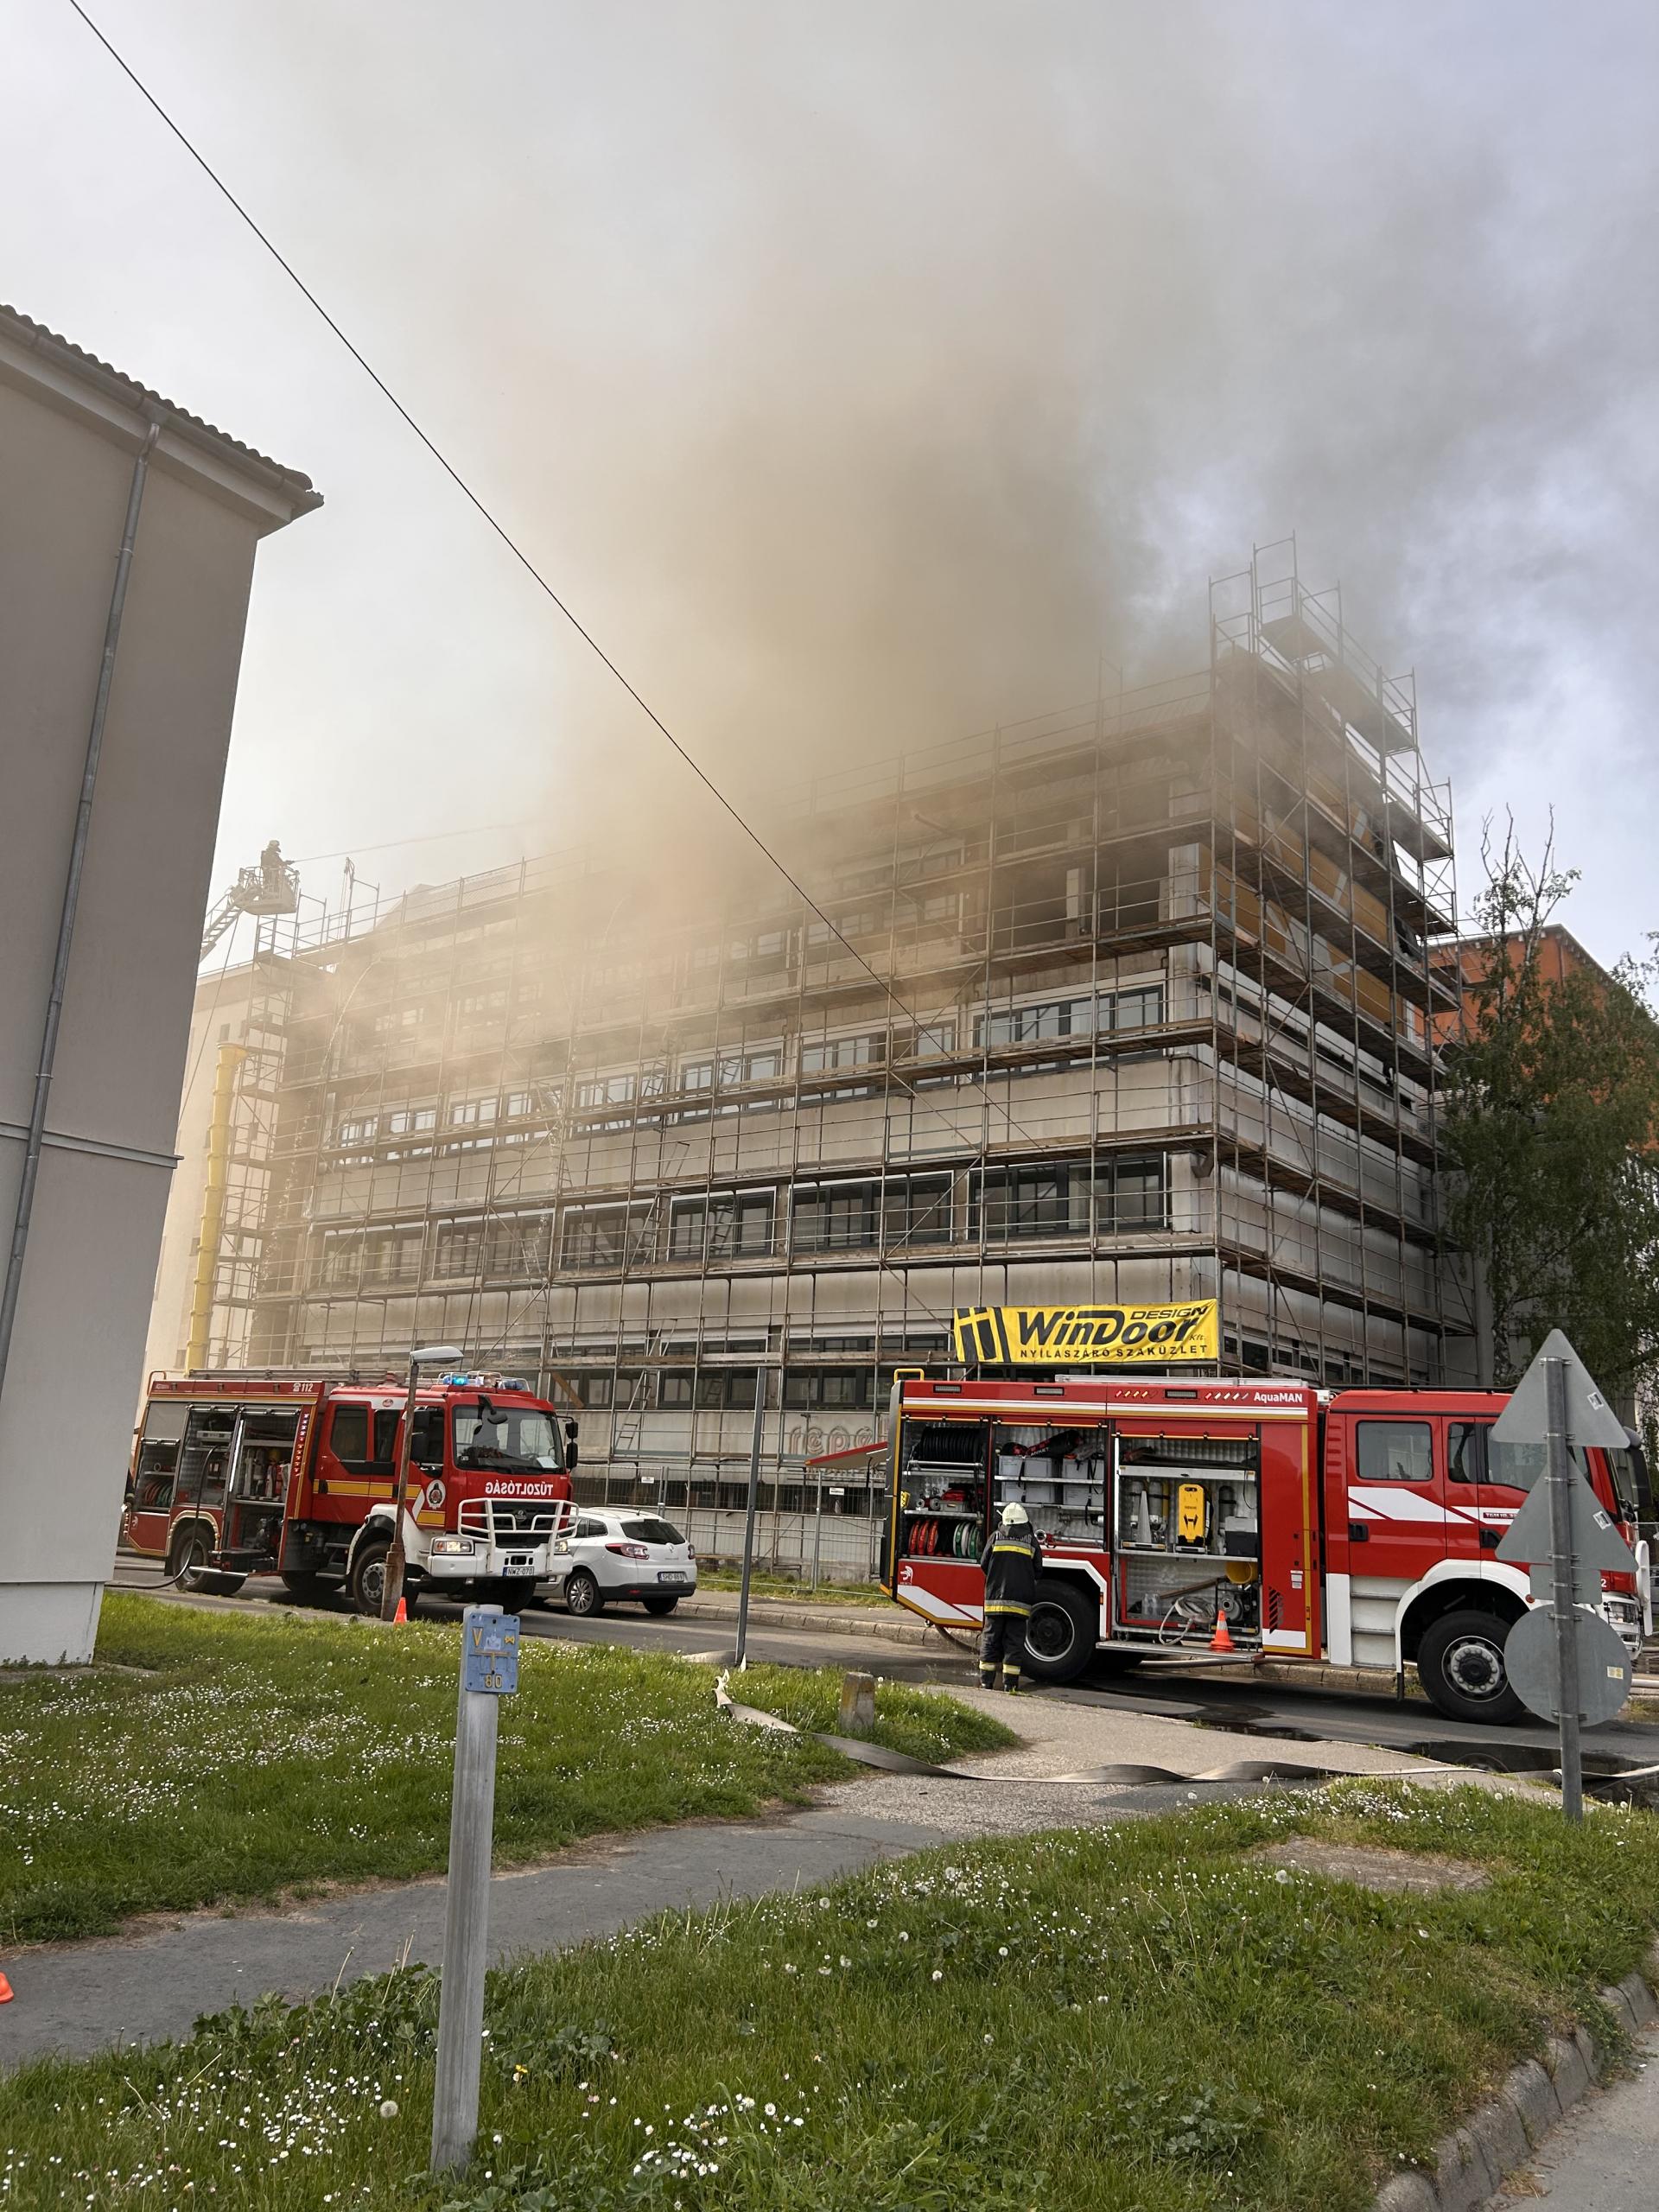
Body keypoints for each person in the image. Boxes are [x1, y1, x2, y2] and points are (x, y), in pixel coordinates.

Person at [979, 1500, 1039, 1694]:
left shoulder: (995, 1537)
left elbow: (983, 1564)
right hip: (1020, 1604)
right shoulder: (1031, 1541)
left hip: (994, 1601)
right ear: (1025, 1522)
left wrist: (996, 1577)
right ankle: (1010, 1685)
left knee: (990, 1640)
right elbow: (1038, 1570)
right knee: (1014, 1643)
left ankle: (986, 1682)